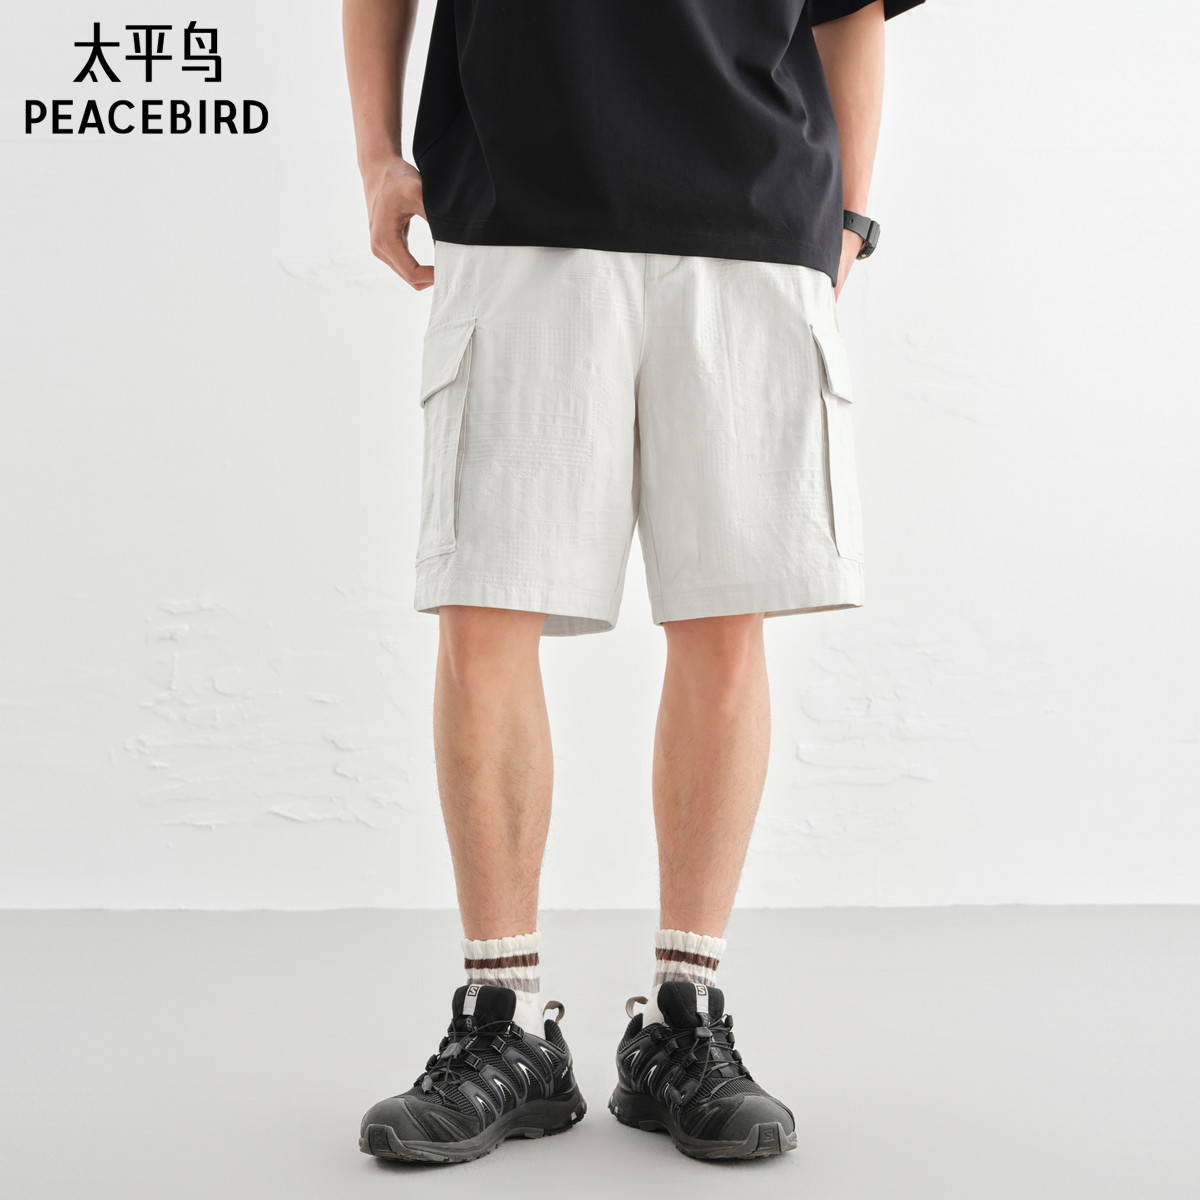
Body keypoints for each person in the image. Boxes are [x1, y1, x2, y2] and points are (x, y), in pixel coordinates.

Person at [343, 0, 923, 1165]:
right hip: (515, 209)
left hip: (752, 219)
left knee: (724, 623)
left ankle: (683, 1017)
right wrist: (376, 156)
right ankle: (505, 1019)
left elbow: (852, 9)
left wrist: (853, 214)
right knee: (484, 610)